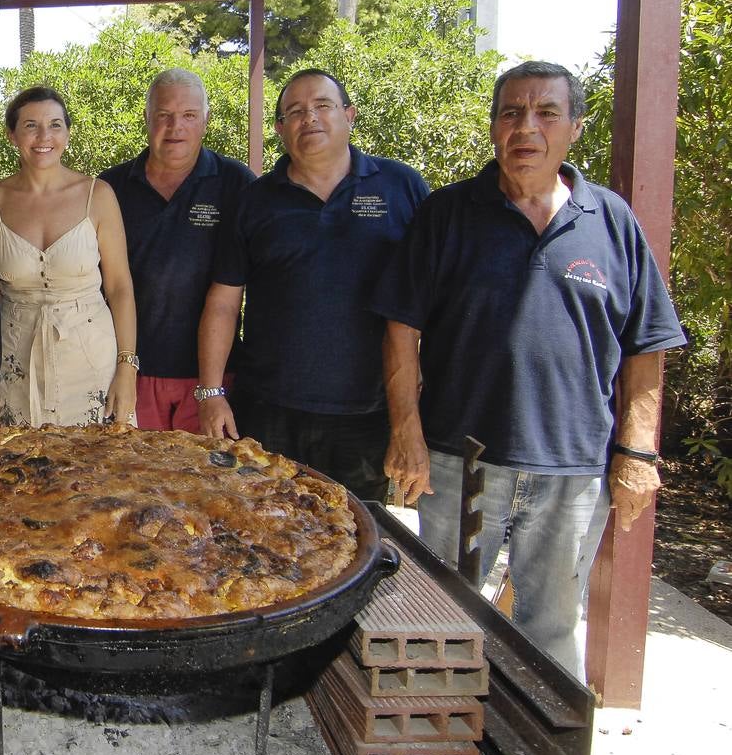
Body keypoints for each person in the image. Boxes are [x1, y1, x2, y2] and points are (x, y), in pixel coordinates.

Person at [372, 60, 684, 679]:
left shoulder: (611, 222)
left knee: (551, 625)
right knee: (440, 616)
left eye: (546, 113)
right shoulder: (448, 214)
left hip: (571, 467)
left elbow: (646, 343)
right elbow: (400, 327)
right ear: (493, 127)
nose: (527, 128)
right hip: (465, 463)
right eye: (511, 112)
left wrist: (638, 454)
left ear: (574, 128)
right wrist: (406, 431)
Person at [198, 69, 428, 502]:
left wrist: (413, 413)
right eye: (295, 112)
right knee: (260, 530)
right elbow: (224, 302)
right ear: (282, 129)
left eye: (323, 106)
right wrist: (211, 392)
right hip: (268, 408)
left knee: (356, 537)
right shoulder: (255, 200)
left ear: (349, 115)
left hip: (367, 413)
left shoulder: (402, 187)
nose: (310, 118)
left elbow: (430, 301)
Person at [100, 68, 255, 432]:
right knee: (133, 485)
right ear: (146, 119)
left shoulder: (238, 184)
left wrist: (215, 385)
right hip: (129, 374)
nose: (176, 127)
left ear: (206, 119)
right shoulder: (110, 188)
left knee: (207, 487)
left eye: (188, 116)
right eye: (164, 116)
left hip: (214, 380)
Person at [0, 86, 138, 428]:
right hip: (15, 355)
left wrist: (127, 365)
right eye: (31, 125)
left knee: (101, 471)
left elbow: (120, 286)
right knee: (19, 471)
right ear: (11, 135)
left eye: (55, 125)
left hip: (90, 353)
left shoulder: (98, 194)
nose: (44, 136)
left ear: (67, 132)